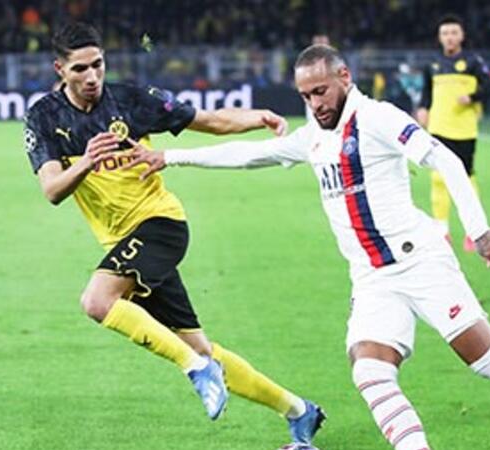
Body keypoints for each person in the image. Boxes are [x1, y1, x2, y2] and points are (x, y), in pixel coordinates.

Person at [127, 44, 490, 450]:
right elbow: (250, 154)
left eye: (321, 90)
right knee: (369, 371)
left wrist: (479, 229)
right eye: (305, 95)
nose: (315, 103)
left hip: (420, 261)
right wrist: (170, 157)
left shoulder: (378, 117)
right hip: (372, 277)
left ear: (344, 76)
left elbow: (445, 160)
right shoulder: (313, 138)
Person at [22, 22, 324, 446]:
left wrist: (256, 117)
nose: (92, 76)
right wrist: (87, 161)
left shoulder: (131, 100)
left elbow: (207, 120)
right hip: (123, 244)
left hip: (160, 224)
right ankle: (299, 411)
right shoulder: (43, 116)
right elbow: (52, 189)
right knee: (201, 347)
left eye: (98, 64)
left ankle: (197, 370)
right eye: (80, 69)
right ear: (60, 69)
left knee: (97, 301)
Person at [416, 14, 490, 253]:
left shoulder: (473, 62)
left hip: (465, 129)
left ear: (461, 35)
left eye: (453, 33)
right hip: (438, 127)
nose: (449, 37)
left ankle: (474, 231)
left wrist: (472, 97)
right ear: (440, 37)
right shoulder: (432, 64)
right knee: (438, 177)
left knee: (466, 178)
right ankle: (442, 230)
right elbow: (426, 93)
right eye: (445, 33)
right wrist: (423, 109)